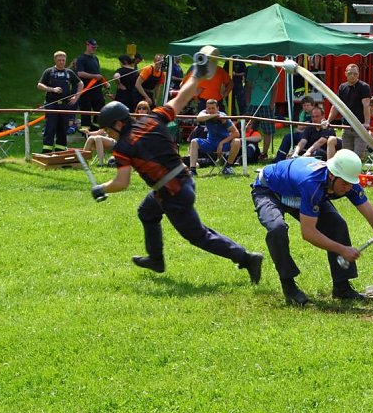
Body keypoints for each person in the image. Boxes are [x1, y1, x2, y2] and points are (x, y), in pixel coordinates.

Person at [92, 62, 263, 283]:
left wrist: (101, 188)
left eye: (107, 129)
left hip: (172, 193)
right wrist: (197, 74)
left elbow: (121, 182)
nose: (108, 133)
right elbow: (182, 97)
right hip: (183, 180)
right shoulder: (153, 118)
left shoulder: (123, 147)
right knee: (147, 211)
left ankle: (247, 258)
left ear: (116, 124)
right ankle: (156, 259)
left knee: (198, 235)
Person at [251, 149, 373, 305]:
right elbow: (308, 233)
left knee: (337, 225)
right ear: (331, 175)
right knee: (277, 229)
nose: (348, 187)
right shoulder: (312, 184)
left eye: (351, 183)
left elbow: (372, 215)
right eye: (345, 183)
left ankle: (342, 288)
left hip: (299, 192)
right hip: (269, 190)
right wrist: (342, 250)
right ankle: (289, 287)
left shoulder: (348, 184)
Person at [37, 50, 82, 153]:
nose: (61, 62)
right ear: (55, 60)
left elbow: (80, 83)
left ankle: (60, 150)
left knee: (62, 128)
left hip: (65, 105)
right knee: (50, 127)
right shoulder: (49, 71)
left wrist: (76, 97)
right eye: (59, 60)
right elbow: (39, 85)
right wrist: (52, 89)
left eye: (63, 60)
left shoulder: (69, 73)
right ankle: (47, 151)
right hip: (51, 104)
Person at [324, 64, 371, 159]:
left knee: (357, 156)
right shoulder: (342, 87)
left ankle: (356, 173)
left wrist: (366, 123)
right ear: (346, 74)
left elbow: (366, 105)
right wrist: (328, 121)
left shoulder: (364, 87)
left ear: (358, 75)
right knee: (347, 156)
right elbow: (336, 106)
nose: (352, 76)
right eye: (350, 73)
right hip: (346, 127)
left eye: (355, 74)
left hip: (360, 127)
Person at [84, 100, 150, 165]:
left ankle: (101, 163)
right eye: (139, 108)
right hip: (111, 139)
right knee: (91, 138)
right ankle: (81, 161)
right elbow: (101, 131)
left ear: (148, 110)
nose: (141, 110)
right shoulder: (130, 120)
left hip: (119, 143)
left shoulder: (147, 123)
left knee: (98, 138)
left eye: (144, 108)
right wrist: (89, 133)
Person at [188, 99, 242, 176]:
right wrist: (214, 115)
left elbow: (236, 133)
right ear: (206, 109)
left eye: (213, 108)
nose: (211, 110)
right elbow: (199, 118)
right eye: (209, 108)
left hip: (224, 143)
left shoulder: (223, 116)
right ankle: (192, 170)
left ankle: (227, 167)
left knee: (237, 141)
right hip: (210, 142)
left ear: (218, 108)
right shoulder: (205, 113)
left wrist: (221, 143)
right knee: (194, 141)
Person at [245, 56, 277, 159]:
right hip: (253, 103)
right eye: (261, 57)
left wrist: (272, 103)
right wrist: (248, 100)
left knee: (267, 130)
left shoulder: (272, 70)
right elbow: (248, 86)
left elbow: (275, 87)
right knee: (247, 128)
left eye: (265, 58)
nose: (263, 59)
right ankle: (248, 150)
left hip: (267, 104)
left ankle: (264, 153)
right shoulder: (251, 69)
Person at [74, 39, 109, 132]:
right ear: (87, 45)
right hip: (86, 90)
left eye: (95, 47)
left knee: (100, 110)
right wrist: (94, 76)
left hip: (97, 90)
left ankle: (97, 128)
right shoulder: (81, 59)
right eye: (92, 47)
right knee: (86, 111)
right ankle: (86, 132)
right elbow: (80, 73)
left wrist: (104, 82)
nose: (94, 49)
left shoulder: (95, 58)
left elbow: (98, 74)